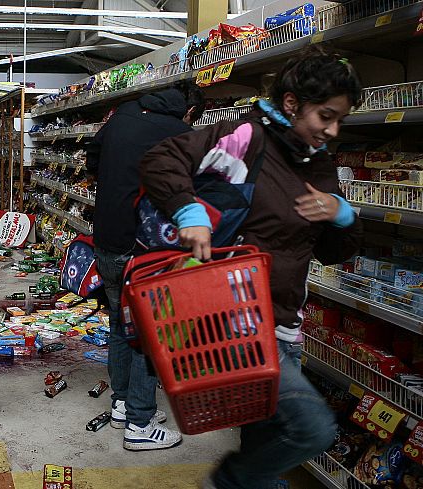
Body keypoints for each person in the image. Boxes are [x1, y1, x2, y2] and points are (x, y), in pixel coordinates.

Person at [138, 46, 363, 488]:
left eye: (340, 120)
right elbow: (161, 159)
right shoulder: (246, 138)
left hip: (285, 325)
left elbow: (333, 252)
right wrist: (188, 211)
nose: (332, 130)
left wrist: (343, 215)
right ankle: (227, 481)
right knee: (313, 429)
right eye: (326, 116)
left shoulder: (317, 163)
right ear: (292, 103)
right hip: (236, 321)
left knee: (266, 446)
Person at [85, 81, 206, 451]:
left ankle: (122, 405)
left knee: (119, 325)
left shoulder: (123, 114)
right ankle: (139, 423)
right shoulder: (179, 132)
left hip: (105, 238)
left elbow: (92, 159)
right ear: (189, 112)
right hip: (141, 248)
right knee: (149, 334)